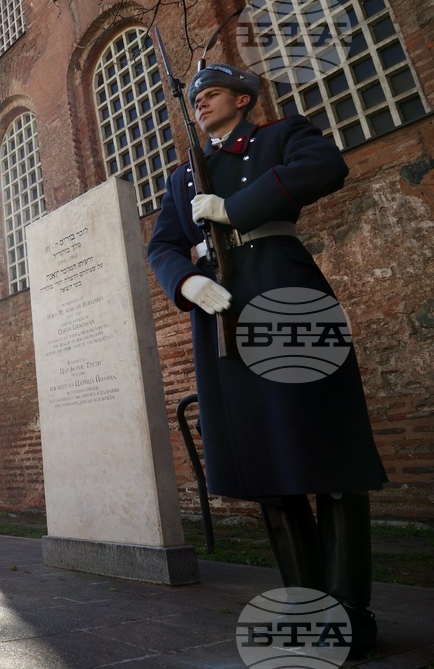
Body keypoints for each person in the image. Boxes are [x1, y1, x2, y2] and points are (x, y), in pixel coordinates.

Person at [145, 64, 387, 657]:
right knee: (266, 463)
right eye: (196, 98)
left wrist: (235, 208)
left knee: (325, 453)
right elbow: (163, 243)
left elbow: (325, 167)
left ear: (243, 99)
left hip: (284, 290)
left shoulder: (280, 136)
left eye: (214, 94)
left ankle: (349, 606)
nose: (202, 103)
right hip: (221, 310)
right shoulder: (183, 176)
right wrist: (185, 285)